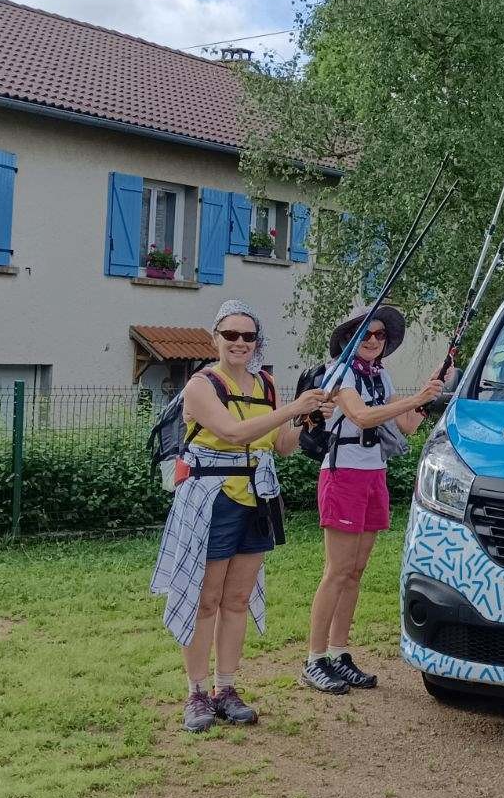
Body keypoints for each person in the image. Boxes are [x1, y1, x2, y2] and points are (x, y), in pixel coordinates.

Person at [151, 300, 333, 733]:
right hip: (211, 500)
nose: (239, 343)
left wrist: (306, 421)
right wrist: (292, 409)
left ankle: (226, 688)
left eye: (247, 336)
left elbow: (281, 445)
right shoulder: (201, 385)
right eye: (230, 335)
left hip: (256, 498)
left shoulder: (265, 385)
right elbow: (232, 433)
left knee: (236, 600)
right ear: (215, 338)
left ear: (257, 342)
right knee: (205, 598)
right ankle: (196, 693)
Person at [301, 307, 444, 695]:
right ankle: (314, 659)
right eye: (366, 334)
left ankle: (339, 652)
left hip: (373, 474)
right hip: (342, 474)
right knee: (337, 570)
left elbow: (408, 425)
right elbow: (362, 417)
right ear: (350, 338)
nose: (373, 340)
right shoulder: (341, 373)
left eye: (380, 335)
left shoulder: (380, 374)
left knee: (356, 571)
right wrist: (412, 397)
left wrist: (430, 395)